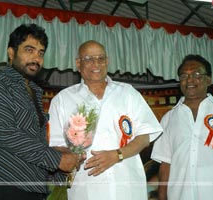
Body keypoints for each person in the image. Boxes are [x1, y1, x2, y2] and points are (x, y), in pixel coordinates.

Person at [0, 23, 81, 200]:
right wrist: (57, 160)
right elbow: (6, 135)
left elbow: (34, 143)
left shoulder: (34, 92)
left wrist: (60, 168)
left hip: (35, 190)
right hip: (3, 187)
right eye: (29, 50)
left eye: (41, 53)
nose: (36, 58)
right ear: (11, 53)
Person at [48, 40, 163, 200]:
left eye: (101, 58)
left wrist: (117, 155)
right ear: (78, 63)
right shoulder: (62, 100)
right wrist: (73, 155)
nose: (96, 63)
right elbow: (55, 145)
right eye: (89, 59)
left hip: (128, 188)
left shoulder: (128, 93)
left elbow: (145, 137)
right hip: (86, 189)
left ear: (107, 62)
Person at [151, 54, 213, 200]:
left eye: (196, 74)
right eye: (184, 75)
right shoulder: (169, 119)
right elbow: (165, 165)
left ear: (208, 79)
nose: (189, 79)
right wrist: (162, 197)